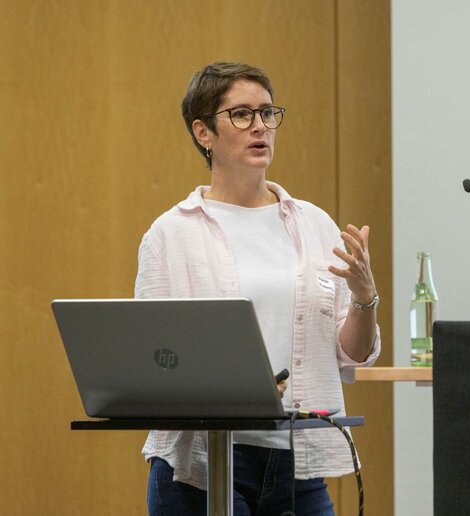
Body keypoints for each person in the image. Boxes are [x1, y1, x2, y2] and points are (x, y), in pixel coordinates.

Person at [135, 61, 381, 516]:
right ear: (203, 132)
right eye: (242, 114)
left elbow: (354, 353)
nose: (260, 127)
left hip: (297, 460)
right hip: (200, 467)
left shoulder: (314, 224)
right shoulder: (170, 234)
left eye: (268, 113)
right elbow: (157, 360)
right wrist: (232, 385)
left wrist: (365, 297)